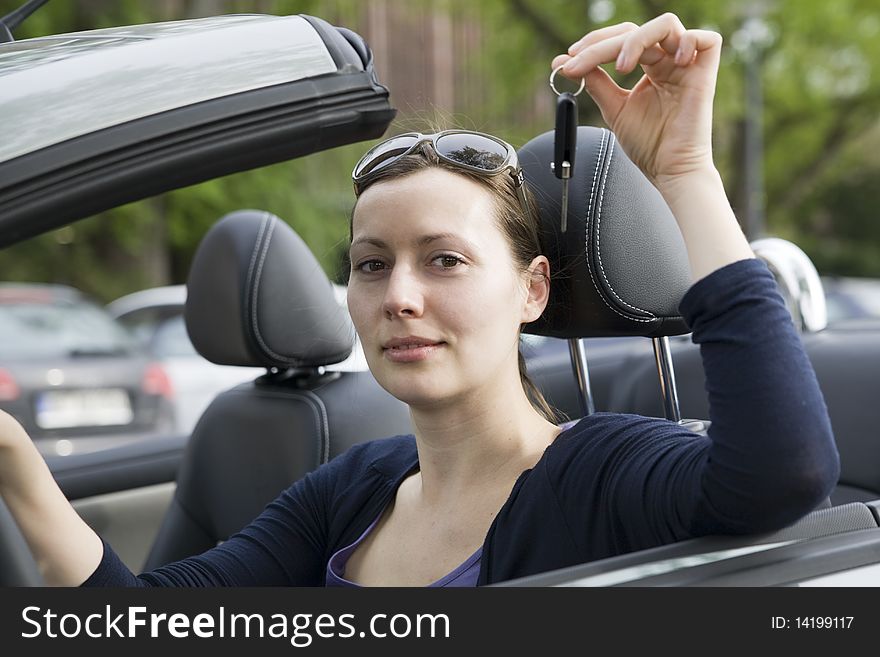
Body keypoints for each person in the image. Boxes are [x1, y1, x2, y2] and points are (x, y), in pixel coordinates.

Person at [0, 13, 839, 587]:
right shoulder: (350, 491)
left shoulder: (600, 468)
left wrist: (686, 171)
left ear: (531, 289)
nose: (399, 296)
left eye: (443, 260)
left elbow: (784, 470)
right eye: (371, 265)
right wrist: (16, 464)